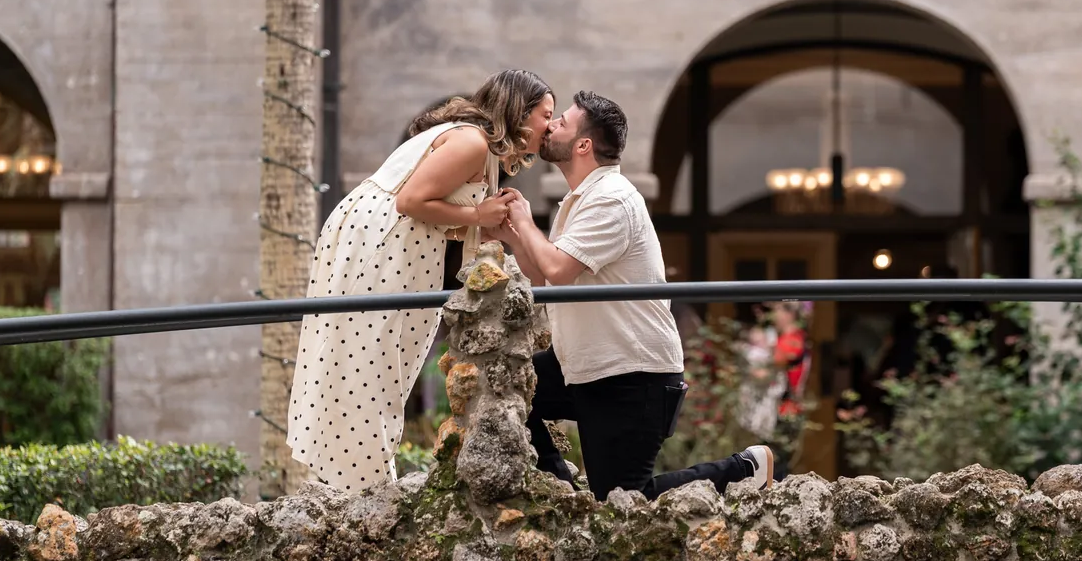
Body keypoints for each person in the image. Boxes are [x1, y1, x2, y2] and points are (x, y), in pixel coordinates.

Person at [495, 90, 774, 503]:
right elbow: (548, 277)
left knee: (625, 503)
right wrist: (511, 237)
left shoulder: (612, 198)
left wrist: (523, 220)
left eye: (562, 122)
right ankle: (563, 499)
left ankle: (745, 468)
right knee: (509, 386)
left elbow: (555, 268)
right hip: (586, 368)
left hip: (632, 376)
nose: (550, 126)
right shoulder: (580, 200)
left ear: (583, 145)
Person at [288, 69, 555, 492]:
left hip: (396, 251)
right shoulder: (472, 141)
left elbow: (436, 215)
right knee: (368, 370)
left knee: (378, 372)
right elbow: (410, 201)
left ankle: (364, 483)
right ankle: (362, 489)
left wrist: (488, 224)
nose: (551, 127)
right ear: (519, 113)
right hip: (383, 248)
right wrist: (476, 216)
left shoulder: (480, 151)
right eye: (546, 115)